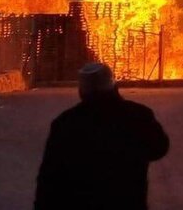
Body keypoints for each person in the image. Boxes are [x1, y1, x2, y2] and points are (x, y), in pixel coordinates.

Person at [34, 62, 169, 210]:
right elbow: (159, 148)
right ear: (113, 86)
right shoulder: (139, 115)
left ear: (82, 91)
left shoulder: (66, 123)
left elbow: (49, 177)